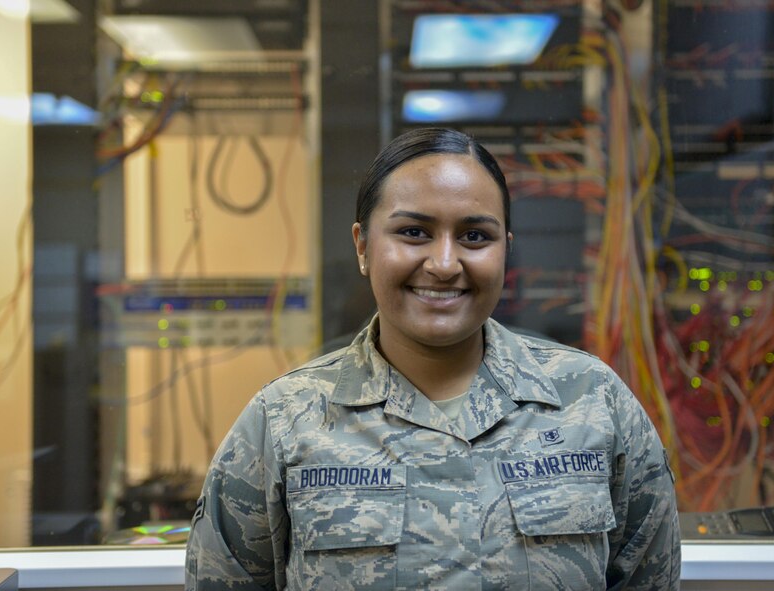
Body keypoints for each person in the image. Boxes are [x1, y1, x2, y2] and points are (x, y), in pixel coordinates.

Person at [185, 127, 680, 590]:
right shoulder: (284, 420)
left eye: (474, 237)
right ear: (362, 247)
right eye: (414, 233)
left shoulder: (594, 401)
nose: (444, 264)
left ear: (505, 252)